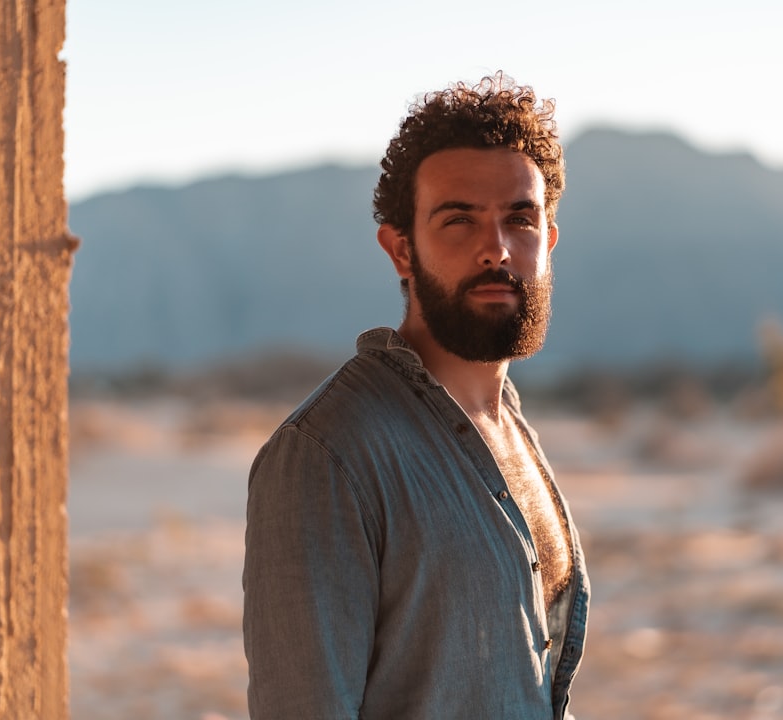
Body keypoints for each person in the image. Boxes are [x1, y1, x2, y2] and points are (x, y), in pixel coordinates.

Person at [242, 72, 589, 720]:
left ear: (549, 240)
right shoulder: (327, 457)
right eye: (459, 220)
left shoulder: (508, 427)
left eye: (520, 219)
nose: (496, 249)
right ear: (401, 249)